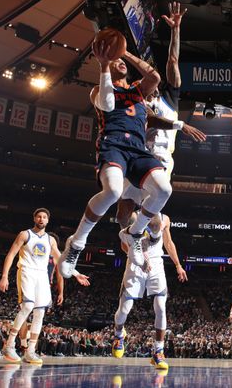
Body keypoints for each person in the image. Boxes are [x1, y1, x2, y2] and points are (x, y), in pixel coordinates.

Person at [59, 35, 173, 277]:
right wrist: (103, 64)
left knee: (164, 190)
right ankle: (77, 243)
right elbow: (109, 105)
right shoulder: (98, 90)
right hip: (113, 144)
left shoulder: (138, 90)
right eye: (116, 61)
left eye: (120, 61)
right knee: (112, 191)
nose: (120, 62)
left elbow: (155, 77)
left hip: (138, 149)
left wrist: (125, 53)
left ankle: (133, 233)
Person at [117, 2, 206, 227]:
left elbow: (173, 60)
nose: (148, 84)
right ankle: (129, 241)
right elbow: (151, 119)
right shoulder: (137, 101)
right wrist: (180, 125)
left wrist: (175, 29)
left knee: (156, 214)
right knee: (122, 212)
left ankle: (145, 235)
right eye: (142, 83)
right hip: (138, 154)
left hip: (162, 157)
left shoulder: (169, 97)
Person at [0, 208, 87, 364]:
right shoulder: (24, 234)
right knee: (27, 306)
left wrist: (76, 274)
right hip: (26, 271)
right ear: (34, 218)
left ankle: (30, 351)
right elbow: (11, 254)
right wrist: (5, 276)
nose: (41, 219)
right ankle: (9, 344)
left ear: (47, 220)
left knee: (40, 312)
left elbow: (60, 260)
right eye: (39, 216)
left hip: (42, 276)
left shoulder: (50, 240)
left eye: (44, 217)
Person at [112, 210, 187, 370]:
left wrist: (178, 265)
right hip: (135, 263)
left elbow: (168, 243)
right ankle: (119, 335)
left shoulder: (165, 218)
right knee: (125, 308)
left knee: (161, 307)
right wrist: (140, 259)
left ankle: (158, 352)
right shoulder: (133, 216)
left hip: (156, 265)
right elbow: (124, 244)